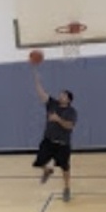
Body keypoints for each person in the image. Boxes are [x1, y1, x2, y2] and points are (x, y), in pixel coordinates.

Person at [30, 66, 77, 202]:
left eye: (63, 95)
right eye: (60, 94)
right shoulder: (52, 104)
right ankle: (47, 170)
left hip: (62, 144)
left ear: (68, 99)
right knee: (39, 162)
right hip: (48, 140)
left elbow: (69, 126)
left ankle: (67, 189)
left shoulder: (71, 112)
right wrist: (37, 81)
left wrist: (58, 119)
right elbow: (42, 94)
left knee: (65, 167)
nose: (60, 96)